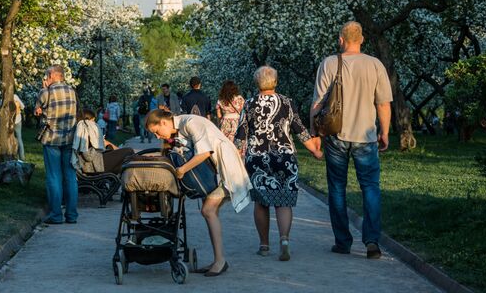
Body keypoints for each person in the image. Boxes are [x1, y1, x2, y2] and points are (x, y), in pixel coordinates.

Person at [310, 21, 393, 259]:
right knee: (370, 187)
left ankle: (343, 242)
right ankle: (372, 241)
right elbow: (383, 103)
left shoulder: (329, 63)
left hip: (336, 135)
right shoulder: (375, 64)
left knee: (337, 187)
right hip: (366, 136)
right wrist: (384, 132)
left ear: (341, 40)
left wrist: (314, 134)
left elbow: (317, 104)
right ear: (362, 39)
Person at [146, 109, 252, 277]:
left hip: (226, 170)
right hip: (215, 172)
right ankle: (218, 259)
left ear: (163, 122)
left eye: (156, 132)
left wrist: (181, 170)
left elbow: (204, 153)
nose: (158, 136)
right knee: (210, 212)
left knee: (208, 210)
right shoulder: (181, 128)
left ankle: (220, 261)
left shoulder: (190, 123)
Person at [235, 66, 323, 261]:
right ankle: (284, 240)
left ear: (257, 82)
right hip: (284, 157)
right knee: (283, 202)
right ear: (275, 81)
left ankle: (264, 245)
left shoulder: (249, 104)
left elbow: (241, 136)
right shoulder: (287, 103)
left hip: (257, 158)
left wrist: (235, 156)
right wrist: (314, 150)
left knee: (261, 202)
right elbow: (300, 130)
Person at [34, 65, 78, 224]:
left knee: (54, 176)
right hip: (69, 139)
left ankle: (56, 215)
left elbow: (36, 111)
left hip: (51, 139)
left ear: (53, 75)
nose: (46, 79)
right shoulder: (72, 91)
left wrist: (43, 90)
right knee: (70, 176)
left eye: (47, 76)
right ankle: (72, 215)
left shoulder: (45, 92)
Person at [72, 109, 134, 175]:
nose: (94, 124)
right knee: (129, 151)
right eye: (93, 121)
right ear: (87, 121)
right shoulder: (83, 132)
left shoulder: (83, 131)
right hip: (96, 165)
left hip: (98, 162)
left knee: (122, 153)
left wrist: (103, 143)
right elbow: (88, 156)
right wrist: (97, 144)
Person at [13, 93, 26, 161]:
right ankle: (22, 157)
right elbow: (23, 106)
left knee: (10, 139)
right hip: (18, 119)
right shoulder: (15, 96)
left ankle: (13, 156)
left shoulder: (4, 98)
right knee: (19, 138)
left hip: (8, 122)